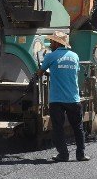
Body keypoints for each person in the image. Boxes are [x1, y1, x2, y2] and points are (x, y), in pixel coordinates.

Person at [33, 31, 89, 162]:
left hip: (57, 99)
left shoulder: (51, 56)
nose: (51, 43)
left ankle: (63, 154)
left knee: (58, 128)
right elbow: (73, 72)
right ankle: (81, 154)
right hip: (73, 98)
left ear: (57, 43)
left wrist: (43, 73)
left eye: (52, 41)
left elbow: (40, 73)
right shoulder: (75, 56)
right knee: (78, 127)